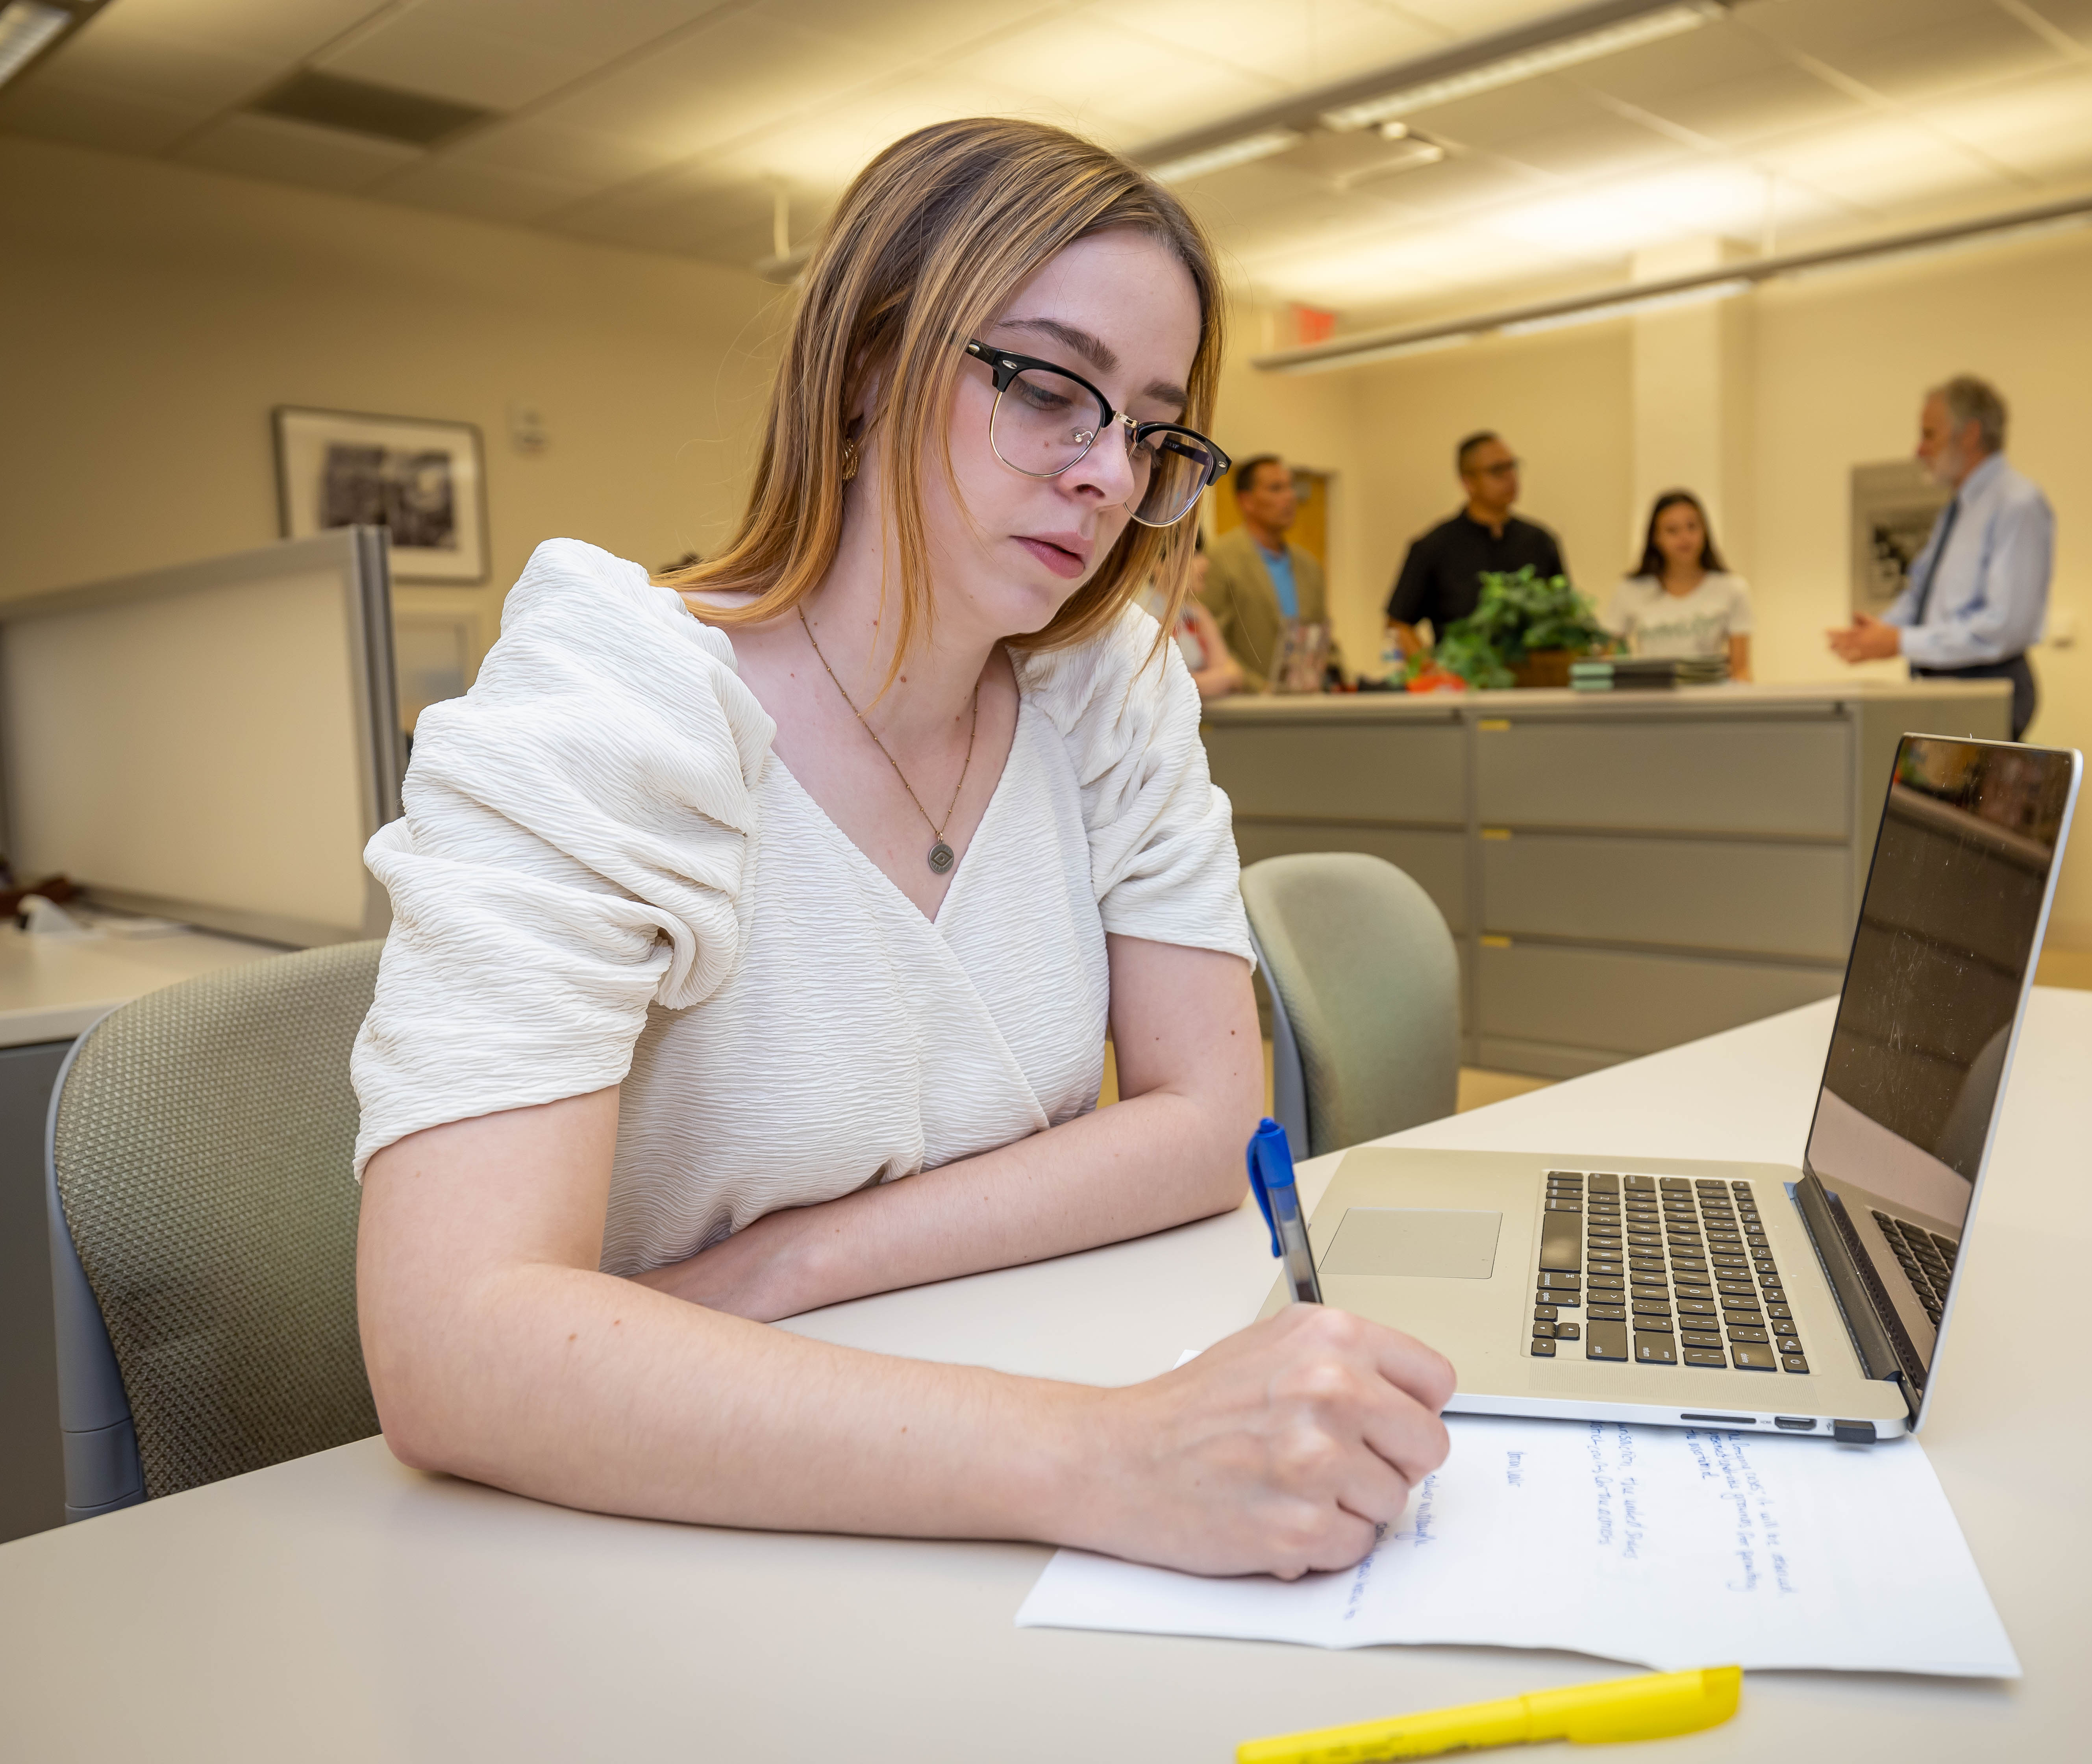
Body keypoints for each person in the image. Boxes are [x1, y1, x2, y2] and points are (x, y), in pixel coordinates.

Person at [348, 118, 1451, 1580]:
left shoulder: (1105, 693)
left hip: (952, 1415)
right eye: (1051, 390)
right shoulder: (614, 699)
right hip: (651, 1515)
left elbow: (1208, 1117)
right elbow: (450, 1345)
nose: (1108, 481)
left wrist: (796, 1258)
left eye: (1151, 432)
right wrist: (1103, 1455)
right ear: (867, 367)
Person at [1827, 374, 2051, 739]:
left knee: (1978, 800)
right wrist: (1879, 632)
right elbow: (1922, 596)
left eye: (1930, 435)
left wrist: (1899, 642)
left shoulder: (2017, 505)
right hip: (1944, 694)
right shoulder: (1956, 511)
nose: (1919, 450)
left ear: (1970, 435)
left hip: (1987, 693)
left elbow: (2004, 627)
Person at [1384, 432, 1564, 660]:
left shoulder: (1540, 541)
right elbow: (1399, 624)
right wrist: (1431, 674)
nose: (1511, 477)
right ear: (1468, 482)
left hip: (1535, 683)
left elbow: (1565, 613)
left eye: (1513, 466)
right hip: (1463, 687)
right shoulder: (1434, 546)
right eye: (1498, 470)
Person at [1200, 454, 1326, 691]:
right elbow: (1212, 641)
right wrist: (1260, 689)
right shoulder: (1220, 559)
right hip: (1245, 709)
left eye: (1291, 487)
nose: (1289, 497)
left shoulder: (1309, 566)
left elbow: (1319, 635)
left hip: (1306, 705)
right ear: (1246, 501)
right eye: (1276, 489)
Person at [1604, 490, 1752, 680]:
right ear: (1656, 537)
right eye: (1672, 530)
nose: (1685, 537)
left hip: (1710, 700)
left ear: (1705, 531)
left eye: (1692, 527)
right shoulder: (1629, 590)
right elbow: (1607, 660)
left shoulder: (1732, 588)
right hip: (1650, 699)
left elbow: (1741, 670)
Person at [1146, 530, 1245, 700]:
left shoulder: (1198, 614)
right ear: (1158, 564)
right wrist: (1221, 679)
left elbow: (1234, 673)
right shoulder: (1144, 617)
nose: (1205, 563)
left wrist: (1200, 682)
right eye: (1193, 554)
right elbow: (1163, 688)